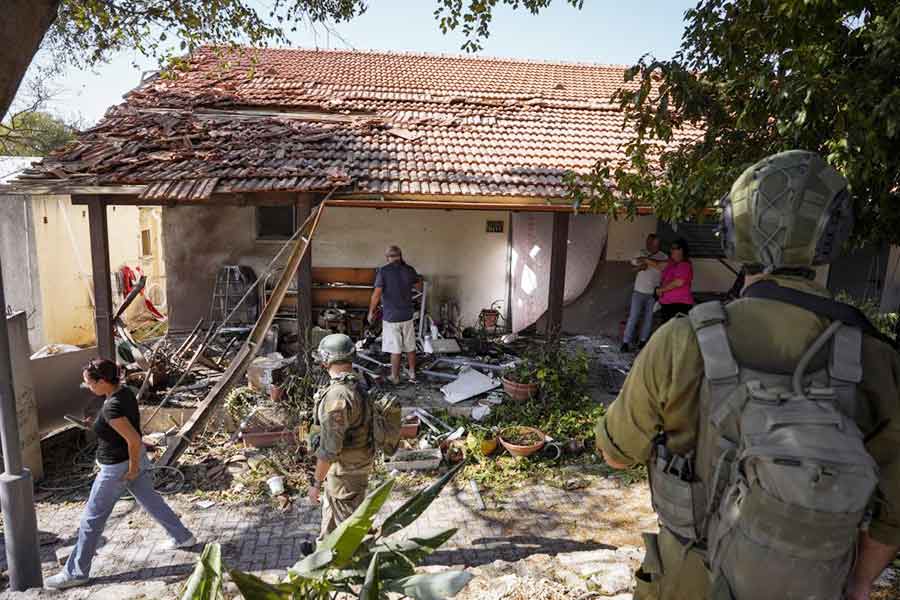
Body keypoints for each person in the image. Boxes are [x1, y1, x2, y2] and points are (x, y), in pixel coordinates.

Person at [595, 150, 900, 600]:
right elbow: (893, 511)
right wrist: (857, 583)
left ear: (733, 231)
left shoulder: (682, 341)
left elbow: (616, 453)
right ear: (834, 233)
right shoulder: (875, 358)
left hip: (689, 581)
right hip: (813, 586)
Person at [45, 359, 195, 590]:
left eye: (90, 383)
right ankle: (183, 537)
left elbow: (133, 440)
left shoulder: (111, 407)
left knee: (91, 520)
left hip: (118, 467)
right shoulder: (123, 392)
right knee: (151, 500)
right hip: (132, 459)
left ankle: (75, 573)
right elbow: (124, 427)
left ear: (103, 381)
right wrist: (98, 425)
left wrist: (133, 469)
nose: (88, 387)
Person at [304, 334, 374, 554]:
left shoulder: (338, 396)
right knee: (335, 511)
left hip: (346, 470)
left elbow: (329, 449)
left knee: (348, 526)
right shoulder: (358, 381)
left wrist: (316, 483)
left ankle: (354, 562)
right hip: (356, 463)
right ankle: (324, 551)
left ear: (326, 360)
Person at [368, 245, 421, 384]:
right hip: (407, 314)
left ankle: (395, 376)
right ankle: (412, 373)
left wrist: (371, 311)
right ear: (400, 256)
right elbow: (418, 286)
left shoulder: (383, 271)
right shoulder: (409, 269)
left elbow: (377, 294)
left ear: (388, 257)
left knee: (395, 348)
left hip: (391, 317)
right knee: (410, 345)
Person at [622, 233, 668, 353]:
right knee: (633, 317)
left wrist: (647, 261)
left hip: (653, 293)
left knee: (649, 318)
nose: (650, 245)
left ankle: (642, 342)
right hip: (638, 291)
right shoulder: (640, 252)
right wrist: (640, 267)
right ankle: (625, 342)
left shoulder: (663, 256)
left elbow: (663, 266)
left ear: (658, 244)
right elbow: (633, 265)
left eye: (653, 244)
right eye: (649, 243)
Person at [644, 238, 694, 324]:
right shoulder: (671, 263)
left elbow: (679, 282)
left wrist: (661, 290)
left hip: (679, 305)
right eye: (671, 248)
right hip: (668, 304)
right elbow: (658, 265)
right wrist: (644, 259)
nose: (671, 250)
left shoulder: (685, 265)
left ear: (681, 250)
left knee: (674, 330)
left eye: (674, 248)